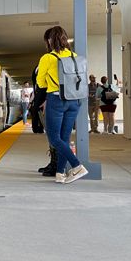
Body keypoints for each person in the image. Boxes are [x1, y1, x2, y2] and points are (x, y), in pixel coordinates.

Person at [37, 26, 89, 184]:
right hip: (75, 101)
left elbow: (40, 82)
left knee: (54, 139)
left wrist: (49, 81)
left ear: (50, 40)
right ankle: (60, 173)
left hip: (56, 100)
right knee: (64, 139)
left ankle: (77, 166)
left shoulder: (48, 58)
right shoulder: (74, 56)